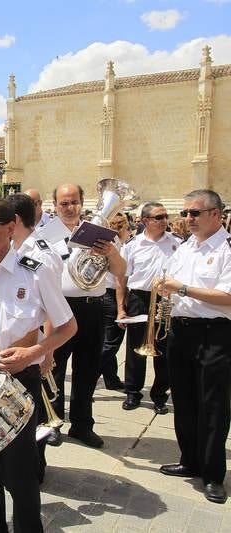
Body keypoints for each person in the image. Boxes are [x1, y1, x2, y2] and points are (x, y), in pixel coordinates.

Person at [0, 197, 77, 532]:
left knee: (20, 472)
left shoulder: (35, 273)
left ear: (9, 228)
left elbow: (67, 326)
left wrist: (34, 352)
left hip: (19, 382)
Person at [157, 189, 231, 504]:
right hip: (181, 332)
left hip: (215, 334)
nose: (188, 219)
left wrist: (182, 288)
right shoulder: (185, 247)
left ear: (216, 214)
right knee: (184, 400)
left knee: (213, 406)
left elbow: (228, 298)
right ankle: (190, 460)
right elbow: (170, 284)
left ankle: (213, 475)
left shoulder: (227, 249)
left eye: (195, 213)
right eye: (186, 213)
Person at [48, 184, 125, 448]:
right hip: (59, 307)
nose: (69, 208)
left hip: (93, 307)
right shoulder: (46, 234)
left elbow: (121, 270)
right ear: (54, 205)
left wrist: (110, 252)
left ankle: (82, 425)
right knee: (54, 368)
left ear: (82, 203)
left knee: (88, 369)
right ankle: (53, 422)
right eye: (64, 203)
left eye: (74, 202)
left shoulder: (100, 233)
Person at [7, 193, 63, 475]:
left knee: (34, 414)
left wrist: (47, 353)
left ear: (14, 221)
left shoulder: (38, 255)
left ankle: (35, 468)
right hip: (24, 344)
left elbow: (53, 311)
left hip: (36, 344)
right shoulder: (19, 248)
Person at [119, 202, 180, 413]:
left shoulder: (177, 243)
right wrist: (121, 308)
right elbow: (122, 279)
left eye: (165, 216)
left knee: (163, 348)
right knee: (136, 347)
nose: (164, 221)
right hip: (139, 298)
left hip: (165, 299)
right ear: (145, 221)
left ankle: (160, 395)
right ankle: (133, 392)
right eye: (159, 217)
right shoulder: (132, 245)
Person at [98, 213, 132, 391]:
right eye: (127, 228)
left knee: (106, 340)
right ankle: (92, 375)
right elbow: (120, 280)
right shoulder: (118, 246)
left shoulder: (109, 244)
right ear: (121, 229)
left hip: (103, 295)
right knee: (112, 343)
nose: (130, 232)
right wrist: (121, 307)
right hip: (112, 295)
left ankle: (111, 378)